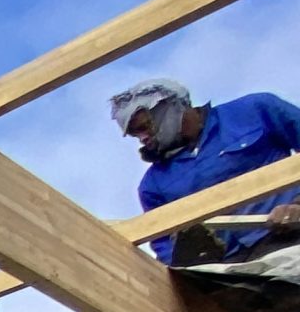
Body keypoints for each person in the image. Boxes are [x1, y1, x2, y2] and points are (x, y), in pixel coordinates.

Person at [110, 77, 300, 266]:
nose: (142, 138)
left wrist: (297, 206)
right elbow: (167, 249)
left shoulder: (255, 110)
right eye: (136, 134)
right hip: (232, 270)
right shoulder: (153, 185)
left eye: (144, 127)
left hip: (291, 238)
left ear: (171, 107)